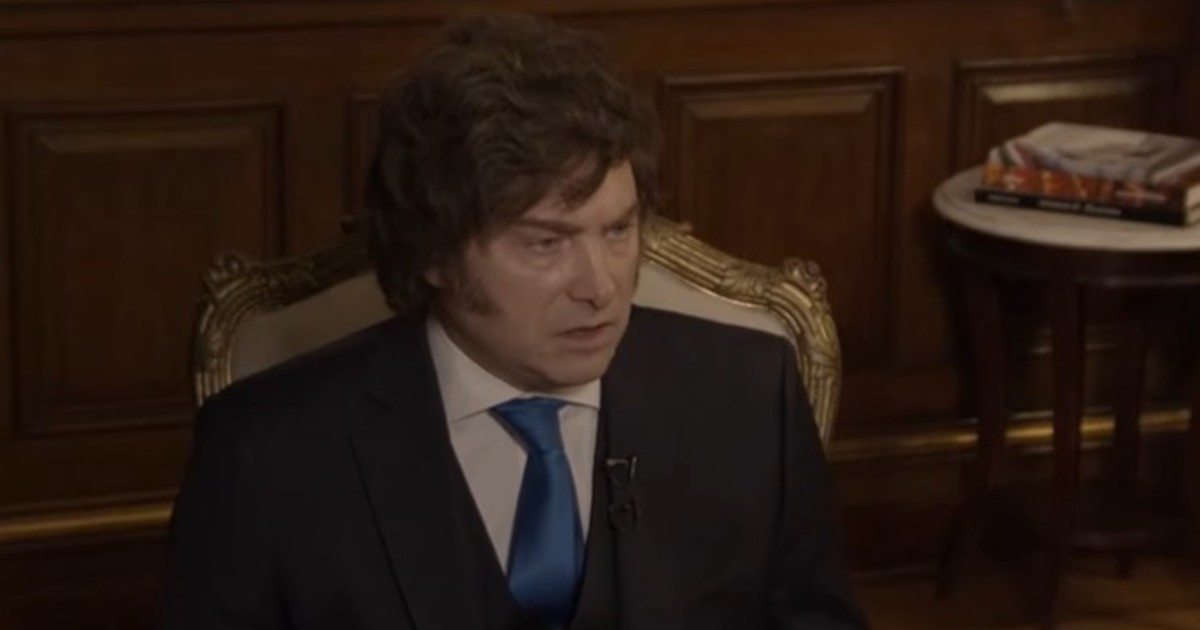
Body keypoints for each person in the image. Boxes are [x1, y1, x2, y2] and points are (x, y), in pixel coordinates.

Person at [161, 12, 869, 630]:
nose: (601, 287)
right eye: (545, 243)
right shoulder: (268, 452)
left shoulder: (749, 398)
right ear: (435, 252)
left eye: (618, 230)